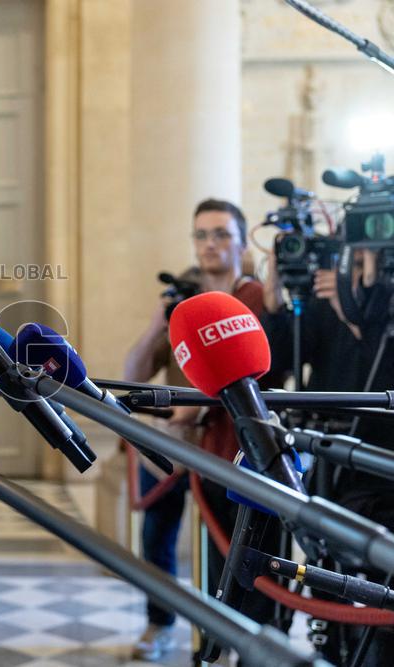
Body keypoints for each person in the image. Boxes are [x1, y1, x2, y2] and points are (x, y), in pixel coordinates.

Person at [124, 198, 280, 662]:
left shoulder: (254, 298)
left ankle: (230, 640)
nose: (210, 244)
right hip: (173, 443)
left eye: (221, 234)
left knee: (229, 549)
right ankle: (160, 623)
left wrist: (194, 412)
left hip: (229, 445)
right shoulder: (183, 302)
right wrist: (159, 322)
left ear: (239, 240)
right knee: (156, 537)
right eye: (201, 235)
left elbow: (261, 370)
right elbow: (133, 371)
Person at [263, 248, 394, 666]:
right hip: (328, 469)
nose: (357, 278)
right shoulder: (321, 308)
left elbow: (381, 370)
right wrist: (275, 305)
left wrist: (359, 314)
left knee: (379, 598)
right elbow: (275, 364)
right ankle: (330, 649)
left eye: (366, 269)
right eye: (352, 265)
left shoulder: (385, 312)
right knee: (326, 579)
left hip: (382, 476)